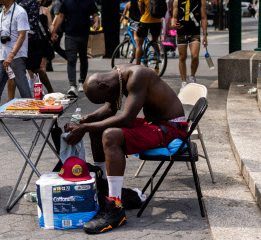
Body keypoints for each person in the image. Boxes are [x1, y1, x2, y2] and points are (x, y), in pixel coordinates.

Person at [63, 63, 187, 234]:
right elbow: (110, 108)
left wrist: (86, 127)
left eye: (103, 96)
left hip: (172, 128)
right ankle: (103, 185)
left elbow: (127, 119)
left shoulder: (137, 76)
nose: (109, 99)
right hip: (156, 123)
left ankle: (115, 208)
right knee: (96, 128)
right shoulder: (117, 77)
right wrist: (85, 121)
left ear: (104, 85)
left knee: (110, 135)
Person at [51, 0, 100, 98]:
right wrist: (54, 31)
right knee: (71, 60)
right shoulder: (67, 1)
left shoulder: (89, 1)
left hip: (84, 35)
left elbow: (95, 15)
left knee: (83, 59)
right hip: (70, 35)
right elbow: (61, 16)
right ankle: (72, 85)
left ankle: (82, 81)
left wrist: (97, 22)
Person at [7, 0, 54, 98]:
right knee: (13, 71)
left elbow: (32, 23)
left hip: (31, 41)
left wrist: (22, 35)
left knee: (37, 69)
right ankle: (10, 100)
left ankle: (51, 92)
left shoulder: (31, 0)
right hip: (16, 40)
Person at [172, 0, 208, 89]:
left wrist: (205, 35)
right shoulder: (177, 1)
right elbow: (174, 17)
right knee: (182, 57)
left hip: (195, 32)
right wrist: (173, 23)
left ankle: (192, 76)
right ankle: (183, 81)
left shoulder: (200, 0)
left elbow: (203, 17)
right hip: (181, 32)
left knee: (195, 56)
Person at [135, 0, 165, 66]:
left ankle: (137, 67)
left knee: (139, 44)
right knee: (155, 41)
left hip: (145, 21)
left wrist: (144, 14)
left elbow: (140, 7)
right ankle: (157, 63)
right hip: (157, 20)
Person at [31, 0, 54, 76]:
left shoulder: (45, 10)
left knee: (42, 64)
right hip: (32, 39)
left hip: (43, 39)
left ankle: (40, 87)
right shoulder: (27, 10)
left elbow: (50, 24)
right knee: (31, 64)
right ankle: (32, 79)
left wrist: (53, 32)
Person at [45, 0, 67, 70]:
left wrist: (52, 27)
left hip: (56, 29)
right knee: (54, 47)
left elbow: (57, 16)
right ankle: (48, 65)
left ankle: (70, 59)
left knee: (54, 46)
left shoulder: (57, 3)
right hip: (55, 29)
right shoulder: (54, 3)